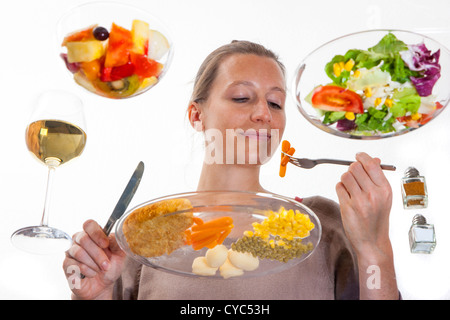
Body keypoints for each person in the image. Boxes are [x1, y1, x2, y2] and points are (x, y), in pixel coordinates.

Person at [63, 40, 399, 300]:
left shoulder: (321, 222)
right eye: (241, 98)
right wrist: (93, 293)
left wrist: (375, 249)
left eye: (275, 103)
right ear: (197, 116)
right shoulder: (144, 235)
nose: (263, 114)